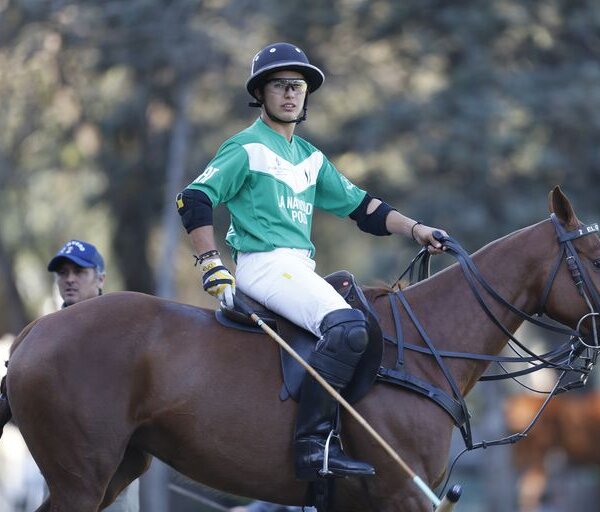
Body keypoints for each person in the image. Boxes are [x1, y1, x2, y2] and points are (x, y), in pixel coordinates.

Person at [176, 42, 447, 484]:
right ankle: (312, 446)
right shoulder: (245, 147)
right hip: (263, 263)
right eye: (279, 86)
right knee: (347, 328)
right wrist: (210, 262)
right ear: (260, 94)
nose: (290, 94)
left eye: (297, 87)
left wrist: (417, 229)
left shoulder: (310, 158)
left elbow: (365, 208)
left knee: (362, 324)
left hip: (298, 267)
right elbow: (194, 198)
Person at [47, 240, 140, 512]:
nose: (70, 280)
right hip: (56, 476)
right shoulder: (43, 337)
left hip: (113, 478)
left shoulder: (124, 332)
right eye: (63, 273)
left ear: (100, 279)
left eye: (79, 272)